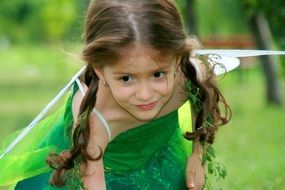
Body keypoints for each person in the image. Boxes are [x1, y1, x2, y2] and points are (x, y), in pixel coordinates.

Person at [1, 0, 231, 189]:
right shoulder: (94, 120)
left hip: (157, 156)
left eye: (158, 74)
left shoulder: (192, 77)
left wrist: (196, 157)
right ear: (99, 69)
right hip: (97, 171)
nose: (145, 94)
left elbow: (203, 105)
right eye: (126, 78)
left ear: (177, 60)